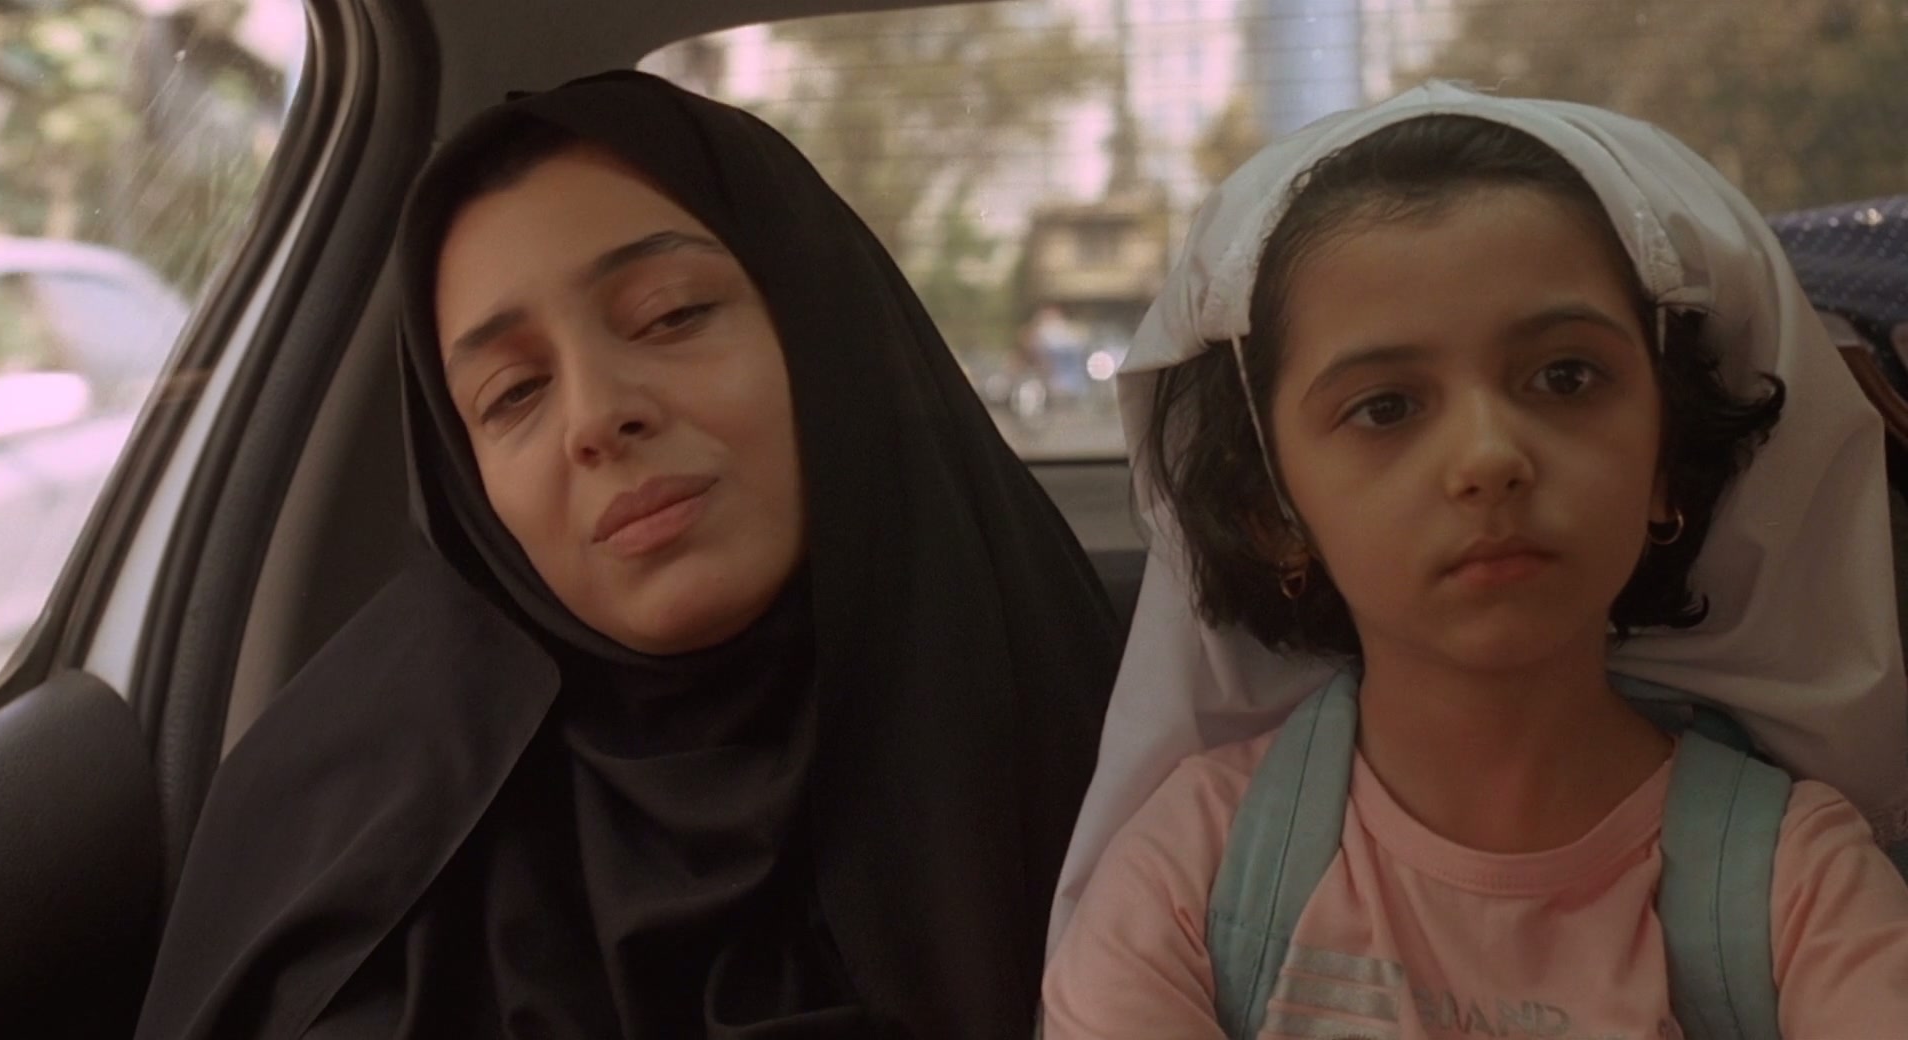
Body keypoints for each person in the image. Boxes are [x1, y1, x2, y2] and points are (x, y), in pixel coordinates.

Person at [134, 71, 1119, 1039]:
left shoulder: (1119, 753)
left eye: (670, 314)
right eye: (513, 392)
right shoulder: (356, 858)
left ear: (825, 325)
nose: (598, 416)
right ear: (467, 482)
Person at [1043, 84, 1908, 1037]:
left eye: (1566, 377)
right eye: (1385, 408)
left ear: (1667, 463)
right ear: (1273, 512)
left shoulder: (1798, 886)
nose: (1490, 457)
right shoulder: (1190, 876)